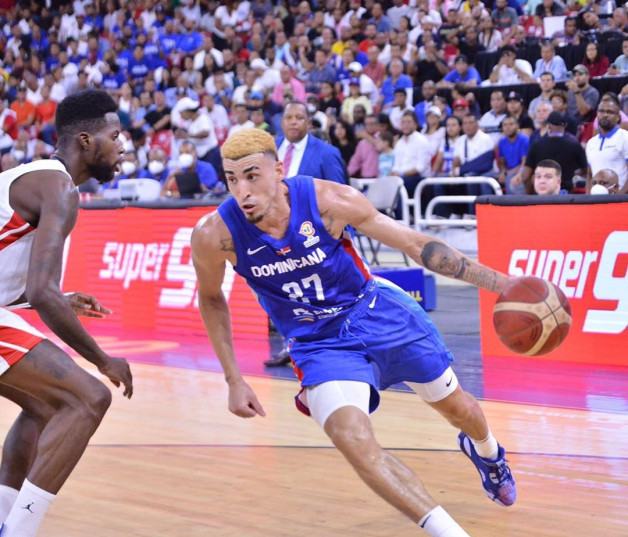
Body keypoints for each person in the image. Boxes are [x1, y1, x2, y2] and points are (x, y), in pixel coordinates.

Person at [190, 128, 516, 537]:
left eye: (252, 176)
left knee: (460, 410)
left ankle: (488, 453)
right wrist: (233, 378)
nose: (242, 191)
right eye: (232, 179)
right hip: (318, 342)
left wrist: (504, 285)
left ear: (278, 169)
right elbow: (211, 298)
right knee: (352, 438)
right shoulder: (213, 235)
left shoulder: (329, 200)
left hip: (377, 311)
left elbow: (417, 245)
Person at [0, 89, 133, 537]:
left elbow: (32, 288)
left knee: (43, 406)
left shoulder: (40, 177)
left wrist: (57, 295)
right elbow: (42, 292)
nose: (124, 146)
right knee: (88, 397)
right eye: (115, 136)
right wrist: (102, 359)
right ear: (85, 141)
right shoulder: (59, 187)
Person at [585, 99, 628, 194]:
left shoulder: (625, 137)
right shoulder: (591, 143)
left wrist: (619, 198)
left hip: (621, 200)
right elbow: (589, 174)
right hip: (596, 200)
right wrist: (588, 198)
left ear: (618, 117)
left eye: (610, 112)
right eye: (601, 111)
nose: (605, 115)